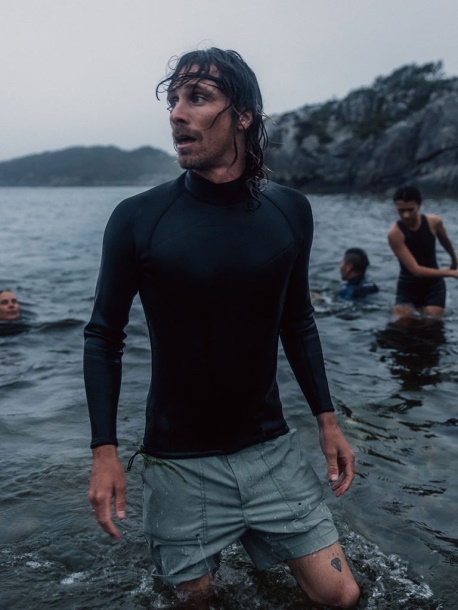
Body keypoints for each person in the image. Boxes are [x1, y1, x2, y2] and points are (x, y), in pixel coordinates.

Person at [84, 48, 360, 608]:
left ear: (243, 116)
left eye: (198, 97)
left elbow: (297, 320)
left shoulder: (290, 212)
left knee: (341, 595)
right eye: (173, 100)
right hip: (178, 461)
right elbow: (103, 336)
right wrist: (104, 451)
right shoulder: (138, 219)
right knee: (196, 603)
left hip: (269, 448)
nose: (176, 113)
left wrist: (327, 422)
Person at [388, 185, 458, 322]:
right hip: (408, 286)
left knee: (430, 325)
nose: (406, 215)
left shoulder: (434, 222)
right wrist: (451, 273)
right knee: (401, 325)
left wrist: (454, 260)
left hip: (433, 286)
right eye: (401, 210)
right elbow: (415, 270)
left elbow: (445, 241)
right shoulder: (395, 234)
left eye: (410, 210)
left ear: (419, 205)